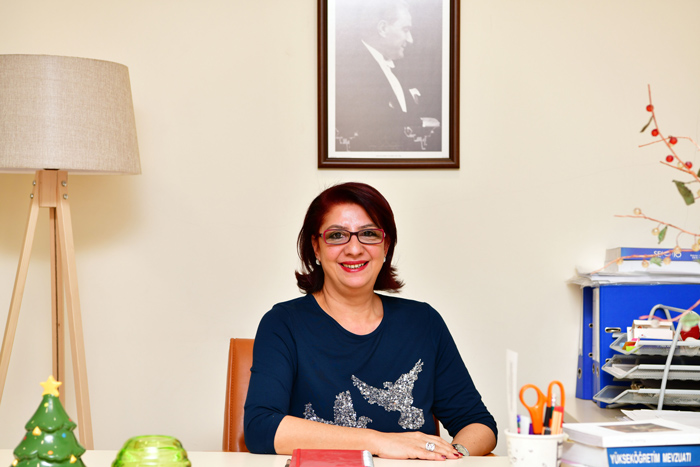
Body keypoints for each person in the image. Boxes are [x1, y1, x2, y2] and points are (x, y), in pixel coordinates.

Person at [244, 182, 497, 459]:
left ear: (386, 245)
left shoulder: (423, 322)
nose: (354, 249)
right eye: (337, 235)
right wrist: (378, 442)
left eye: (369, 234)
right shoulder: (283, 323)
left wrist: (452, 457)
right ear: (316, 247)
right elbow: (261, 428)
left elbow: (478, 423)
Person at [334, 0, 441, 152]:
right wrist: (421, 124)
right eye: (405, 30)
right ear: (383, 28)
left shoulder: (399, 69)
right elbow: (372, 125)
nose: (410, 39)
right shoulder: (349, 74)